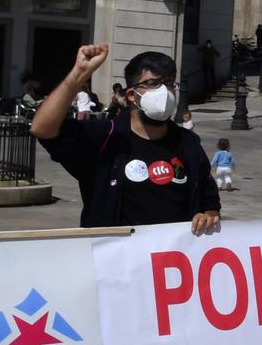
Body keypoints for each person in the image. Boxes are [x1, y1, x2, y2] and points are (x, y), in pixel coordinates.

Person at [30, 45, 221, 235]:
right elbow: (42, 128)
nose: (165, 92)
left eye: (170, 84)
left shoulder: (188, 143)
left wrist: (209, 216)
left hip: (170, 260)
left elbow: (209, 199)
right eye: (154, 84)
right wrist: (79, 74)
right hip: (116, 259)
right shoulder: (105, 137)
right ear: (131, 95)